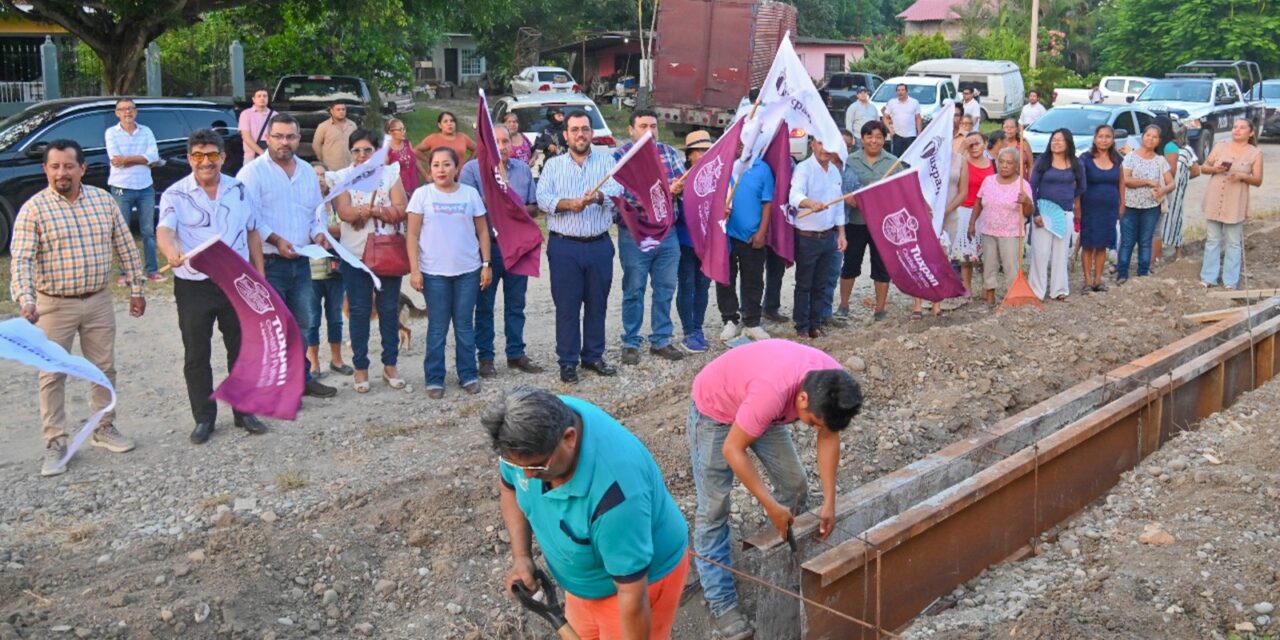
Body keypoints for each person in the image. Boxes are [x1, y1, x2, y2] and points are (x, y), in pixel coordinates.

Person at [687, 339, 863, 640]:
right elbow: (733, 449)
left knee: (795, 487)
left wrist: (830, 502)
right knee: (714, 508)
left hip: (761, 407)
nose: (813, 427)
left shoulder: (835, 383)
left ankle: (776, 555)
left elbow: (829, 435)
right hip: (715, 412)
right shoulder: (771, 393)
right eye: (811, 422)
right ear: (803, 399)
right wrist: (769, 504)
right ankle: (722, 601)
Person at [488, 387, 690, 640]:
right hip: (585, 585)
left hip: (637, 585)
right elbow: (509, 489)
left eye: (536, 466)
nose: (526, 475)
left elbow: (632, 596)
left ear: (569, 438)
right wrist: (521, 556)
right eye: (517, 466)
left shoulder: (615, 496)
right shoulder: (528, 430)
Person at [10, 139, 147, 477]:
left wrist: (137, 288)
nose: (61, 173)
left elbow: (126, 246)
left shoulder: (103, 201)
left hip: (98, 300)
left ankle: (103, 428)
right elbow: (22, 261)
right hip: (53, 306)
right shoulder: (34, 209)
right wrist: (26, 300)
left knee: (103, 367)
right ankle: (55, 442)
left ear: (82, 168)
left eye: (68, 166)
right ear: (45, 170)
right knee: (52, 374)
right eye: (54, 166)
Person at [156, 129, 269, 445]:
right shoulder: (175, 195)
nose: (205, 162)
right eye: (197, 156)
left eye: (212, 155)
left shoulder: (240, 190)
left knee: (241, 349)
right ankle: (204, 418)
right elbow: (165, 231)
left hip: (236, 282)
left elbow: (253, 233)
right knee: (197, 353)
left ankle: (243, 411)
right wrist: (170, 252)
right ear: (190, 158)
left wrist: (259, 276)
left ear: (223, 157)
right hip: (195, 285)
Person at [236, 112, 337, 399]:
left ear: (298, 139)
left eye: (290, 136)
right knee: (273, 327)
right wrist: (277, 240)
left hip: (303, 261)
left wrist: (319, 233)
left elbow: (316, 213)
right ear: (267, 137)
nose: (284, 142)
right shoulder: (251, 173)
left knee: (303, 322)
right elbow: (250, 219)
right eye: (278, 136)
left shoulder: (306, 171)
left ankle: (301, 378)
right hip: (269, 261)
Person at [535, 110, 623, 384]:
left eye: (585, 129)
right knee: (567, 306)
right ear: (566, 135)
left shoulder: (608, 162)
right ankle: (568, 361)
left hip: (598, 244)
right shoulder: (553, 165)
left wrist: (598, 197)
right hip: (565, 247)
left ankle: (594, 356)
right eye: (574, 130)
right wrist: (567, 204)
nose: (580, 134)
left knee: (597, 303)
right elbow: (543, 199)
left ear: (591, 133)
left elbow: (619, 193)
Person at [458, 124, 545, 377]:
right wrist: (497, 199)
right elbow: (468, 208)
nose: (502, 147)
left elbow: (533, 208)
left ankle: (516, 353)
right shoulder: (472, 171)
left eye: (506, 141)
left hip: (517, 246)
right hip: (488, 248)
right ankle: (485, 357)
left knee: (516, 304)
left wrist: (510, 204)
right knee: (484, 305)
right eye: (496, 142)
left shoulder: (521, 171)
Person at [407, 147, 491, 398]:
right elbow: (411, 234)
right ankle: (434, 378)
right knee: (437, 327)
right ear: (430, 169)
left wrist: (486, 264)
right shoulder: (422, 195)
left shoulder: (470, 194)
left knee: (464, 325)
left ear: (456, 168)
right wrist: (415, 270)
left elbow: (483, 232)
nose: (441, 170)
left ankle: (468, 374)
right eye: (436, 165)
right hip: (434, 273)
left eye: (446, 165)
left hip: (468, 271)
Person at [334, 130, 409, 393]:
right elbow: (343, 211)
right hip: (354, 255)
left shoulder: (390, 174)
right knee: (358, 310)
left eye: (367, 150)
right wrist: (360, 212)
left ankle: (390, 364)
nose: (362, 155)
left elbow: (401, 208)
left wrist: (376, 210)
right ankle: (361, 367)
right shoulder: (343, 177)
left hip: (387, 251)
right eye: (356, 150)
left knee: (389, 309)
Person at [612, 110, 686, 365]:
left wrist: (678, 188)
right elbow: (620, 196)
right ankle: (631, 341)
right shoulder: (620, 157)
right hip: (635, 233)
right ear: (631, 130)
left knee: (665, 288)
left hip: (667, 233)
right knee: (634, 289)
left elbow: (682, 180)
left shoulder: (668, 152)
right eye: (643, 126)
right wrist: (663, 191)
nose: (649, 131)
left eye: (653, 126)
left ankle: (661, 339)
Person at [789, 138, 846, 338]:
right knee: (804, 283)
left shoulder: (834, 171)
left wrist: (841, 233)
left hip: (828, 235)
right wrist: (809, 203)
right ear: (812, 144)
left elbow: (838, 205)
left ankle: (816, 324)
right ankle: (802, 326)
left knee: (821, 282)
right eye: (821, 143)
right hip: (807, 237)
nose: (825, 149)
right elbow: (794, 195)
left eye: (829, 144)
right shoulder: (804, 168)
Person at [718, 138, 774, 344]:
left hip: (751, 237)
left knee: (753, 279)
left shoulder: (762, 168)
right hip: (725, 235)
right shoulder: (721, 165)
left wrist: (761, 232)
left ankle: (751, 321)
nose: (740, 145)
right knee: (725, 278)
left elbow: (767, 203)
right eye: (737, 140)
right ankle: (729, 319)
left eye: (745, 141)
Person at [837, 121, 895, 321]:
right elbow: (841, 188)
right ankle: (843, 305)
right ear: (862, 139)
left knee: (881, 266)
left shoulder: (893, 163)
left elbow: (898, 192)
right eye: (870, 136)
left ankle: (880, 308)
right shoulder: (850, 161)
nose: (874, 141)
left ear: (884, 139)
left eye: (879, 136)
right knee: (851, 264)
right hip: (856, 222)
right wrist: (850, 199)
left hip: (882, 225)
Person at [1200, 118, 1264, 289]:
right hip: (1215, 198)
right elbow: (1204, 167)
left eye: (1242, 128)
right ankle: (1208, 278)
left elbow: (1258, 180)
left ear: (1250, 133)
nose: (1237, 130)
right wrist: (1216, 169)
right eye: (1235, 127)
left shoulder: (1255, 153)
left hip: (1236, 201)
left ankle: (1230, 281)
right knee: (1213, 239)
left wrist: (1243, 176)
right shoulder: (1221, 145)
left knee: (1233, 242)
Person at [105, 97, 163, 282]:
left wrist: (127, 159)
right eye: (123, 109)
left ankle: (152, 270)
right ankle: (125, 273)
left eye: (131, 108)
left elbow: (154, 156)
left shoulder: (146, 131)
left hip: (145, 186)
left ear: (136, 111)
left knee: (148, 231)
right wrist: (143, 159)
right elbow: (116, 160)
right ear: (117, 113)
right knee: (123, 231)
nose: (127, 112)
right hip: (121, 188)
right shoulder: (111, 133)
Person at [969, 147, 1034, 305]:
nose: (1004, 165)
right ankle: (990, 298)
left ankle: (1012, 298)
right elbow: (978, 202)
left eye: (1009, 163)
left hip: (1010, 232)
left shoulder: (1022, 185)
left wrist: (1026, 201)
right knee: (989, 265)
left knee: (1010, 266)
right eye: (1001, 161)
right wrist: (972, 223)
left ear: (1016, 165)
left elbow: (1028, 212)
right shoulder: (988, 181)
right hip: (988, 230)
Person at [1028, 128, 1085, 301]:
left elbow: (1082, 187)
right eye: (1053, 139)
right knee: (1040, 252)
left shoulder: (1076, 163)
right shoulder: (1042, 162)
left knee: (1061, 253)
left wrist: (1069, 198)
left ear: (1068, 143)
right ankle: (1037, 290)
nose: (1056, 143)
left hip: (1065, 213)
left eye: (1060, 140)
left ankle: (1059, 290)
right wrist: (1036, 212)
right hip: (1043, 213)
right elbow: (1032, 187)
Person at [307, 162, 350, 379]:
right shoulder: (304, 205)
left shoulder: (336, 203)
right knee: (312, 318)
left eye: (323, 174)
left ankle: (337, 359)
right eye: (315, 175)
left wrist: (325, 232)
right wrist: (328, 233)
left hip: (336, 268)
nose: (320, 179)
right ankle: (313, 364)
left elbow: (347, 227)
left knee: (335, 316)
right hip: (311, 270)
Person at [1118, 124, 1174, 283]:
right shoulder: (1130, 157)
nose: (1150, 139)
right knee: (1127, 241)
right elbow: (1126, 179)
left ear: (1159, 141)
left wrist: (1163, 190)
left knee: (1146, 240)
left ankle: (1143, 274)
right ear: (1142, 137)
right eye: (1148, 135)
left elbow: (1172, 183)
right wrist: (1147, 182)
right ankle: (1122, 274)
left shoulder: (1160, 160)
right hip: (1130, 205)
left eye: (1154, 137)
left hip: (1151, 207)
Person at [675, 131, 715, 353]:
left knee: (703, 286)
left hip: (707, 242)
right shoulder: (679, 179)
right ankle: (688, 330)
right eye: (700, 150)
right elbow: (675, 213)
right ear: (689, 155)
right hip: (686, 240)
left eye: (708, 150)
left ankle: (698, 328)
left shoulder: (716, 177)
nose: (704, 154)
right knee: (687, 285)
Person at [1079, 125, 1125, 293]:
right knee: (1088, 244)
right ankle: (1087, 281)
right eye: (1100, 136)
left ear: (1113, 139)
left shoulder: (1118, 159)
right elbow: (1079, 184)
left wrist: (1122, 204)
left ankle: (1098, 280)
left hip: (1109, 208)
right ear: (1094, 138)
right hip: (1090, 207)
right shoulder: (1085, 158)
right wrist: (1077, 207)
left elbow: (1121, 183)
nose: (1104, 140)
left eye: (1107, 137)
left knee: (1102, 244)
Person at [949, 131, 991, 297]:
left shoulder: (992, 164)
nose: (974, 147)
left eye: (977, 143)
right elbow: (951, 168)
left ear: (985, 144)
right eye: (971, 144)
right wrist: (962, 146)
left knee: (985, 253)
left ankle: (987, 287)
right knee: (966, 254)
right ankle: (967, 288)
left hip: (985, 212)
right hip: (965, 210)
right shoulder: (962, 162)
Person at [1158, 117, 1200, 264]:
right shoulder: (1154, 147)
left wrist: (1182, 180)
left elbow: (1196, 171)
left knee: (1175, 219)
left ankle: (1178, 254)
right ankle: (1158, 255)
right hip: (1159, 190)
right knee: (1158, 224)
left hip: (1175, 192)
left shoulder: (1183, 150)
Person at [385, 117, 425, 196]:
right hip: (400, 189)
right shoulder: (386, 150)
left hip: (414, 183)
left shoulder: (407, 143)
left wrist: (425, 175)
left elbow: (415, 160)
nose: (403, 132)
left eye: (404, 129)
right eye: (400, 130)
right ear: (390, 132)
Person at [311, 102, 358, 171]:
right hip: (331, 168)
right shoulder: (323, 126)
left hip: (350, 167)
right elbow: (316, 145)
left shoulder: (352, 125)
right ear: (331, 111)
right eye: (338, 110)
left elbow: (357, 144)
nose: (341, 112)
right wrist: (323, 160)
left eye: (343, 109)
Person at [883, 83, 922, 156]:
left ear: (907, 91)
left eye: (902, 90)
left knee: (911, 157)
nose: (900, 92)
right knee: (896, 158)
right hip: (897, 135)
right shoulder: (892, 102)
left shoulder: (914, 102)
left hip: (911, 135)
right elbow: (885, 117)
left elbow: (918, 118)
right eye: (898, 90)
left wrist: (919, 133)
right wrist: (890, 129)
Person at [237, 87, 275, 162]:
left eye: (265, 96)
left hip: (271, 157)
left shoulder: (275, 115)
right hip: (251, 157)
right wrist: (262, 153)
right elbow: (246, 137)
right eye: (259, 96)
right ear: (253, 99)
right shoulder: (246, 114)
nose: (262, 98)